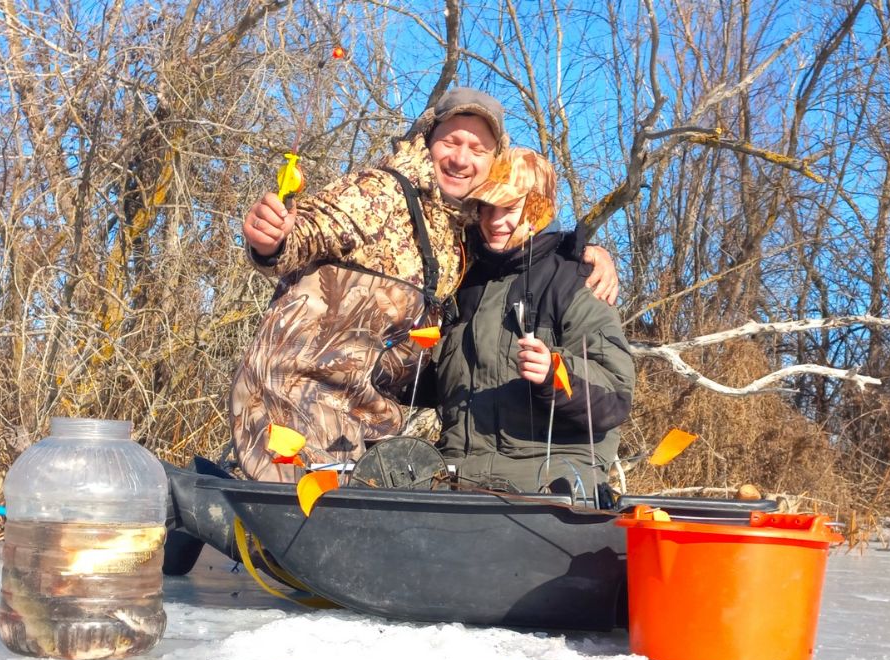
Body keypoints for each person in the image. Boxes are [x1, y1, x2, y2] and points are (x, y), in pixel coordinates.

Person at [232, 89, 616, 482]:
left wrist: (581, 250)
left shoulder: (463, 240)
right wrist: (274, 239)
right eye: (450, 141)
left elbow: (525, 248)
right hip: (297, 404)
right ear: (427, 141)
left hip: (370, 425)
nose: (461, 158)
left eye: (478, 148)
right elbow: (309, 230)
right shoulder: (380, 191)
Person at [420, 148, 634, 493]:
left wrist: (554, 373)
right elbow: (436, 386)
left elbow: (615, 395)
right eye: (487, 208)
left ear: (537, 210)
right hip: (458, 483)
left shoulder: (576, 281)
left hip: (552, 489)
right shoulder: (463, 280)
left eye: (508, 209)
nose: (494, 220)